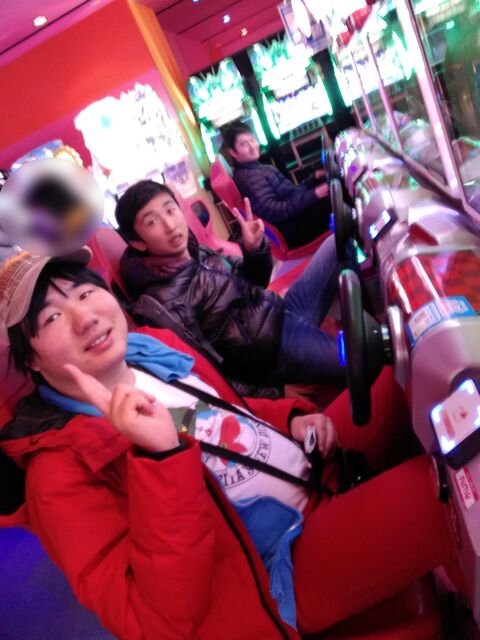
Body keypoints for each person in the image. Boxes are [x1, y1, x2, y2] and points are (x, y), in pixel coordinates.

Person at [0, 250, 465, 639]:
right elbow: (157, 621)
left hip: (307, 468)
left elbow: (227, 417)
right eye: (52, 317)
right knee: (456, 493)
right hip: (274, 568)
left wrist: (293, 418)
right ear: (31, 360)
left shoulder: (149, 349)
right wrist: (161, 458)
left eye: (84, 293)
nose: (85, 317)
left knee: (406, 366)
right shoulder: (58, 476)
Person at [115, 180, 344, 398]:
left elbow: (255, 281)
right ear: (138, 243)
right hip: (275, 353)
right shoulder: (163, 303)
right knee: (360, 355)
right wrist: (275, 393)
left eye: (170, 210)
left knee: (339, 240)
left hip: (281, 311)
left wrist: (254, 250)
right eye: (152, 222)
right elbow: (210, 374)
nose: (170, 225)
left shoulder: (197, 252)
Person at [223, 121, 330, 248]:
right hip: (295, 229)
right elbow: (275, 212)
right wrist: (313, 195)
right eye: (245, 144)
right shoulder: (248, 178)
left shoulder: (257, 168)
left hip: (296, 218)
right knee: (337, 194)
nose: (253, 146)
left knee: (330, 182)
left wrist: (312, 179)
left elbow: (290, 192)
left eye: (252, 140)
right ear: (233, 152)